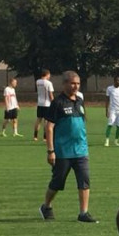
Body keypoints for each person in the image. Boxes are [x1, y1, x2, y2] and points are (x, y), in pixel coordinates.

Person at [40, 71, 96, 223]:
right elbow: (49, 127)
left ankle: (83, 213)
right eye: (72, 83)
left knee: (84, 181)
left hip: (81, 150)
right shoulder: (57, 103)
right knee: (57, 183)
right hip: (63, 151)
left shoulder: (80, 101)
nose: (75, 86)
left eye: (78, 83)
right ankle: (46, 206)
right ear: (64, 84)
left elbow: (81, 123)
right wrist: (50, 151)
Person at [104, 76, 119, 147]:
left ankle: (116, 141)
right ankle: (107, 141)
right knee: (110, 124)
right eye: (117, 80)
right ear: (114, 81)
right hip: (113, 110)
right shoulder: (109, 88)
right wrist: (106, 110)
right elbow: (107, 100)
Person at [33, 70, 55, 142]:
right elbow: (50, 94)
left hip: (39, 103)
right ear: (47, 74)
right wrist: (53, 102)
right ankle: (45, 137)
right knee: (46, 121)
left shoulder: (37, 82)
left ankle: (35, 136)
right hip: (47, 104)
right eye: (49, 75)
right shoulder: (48, 83)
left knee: (38, 120)